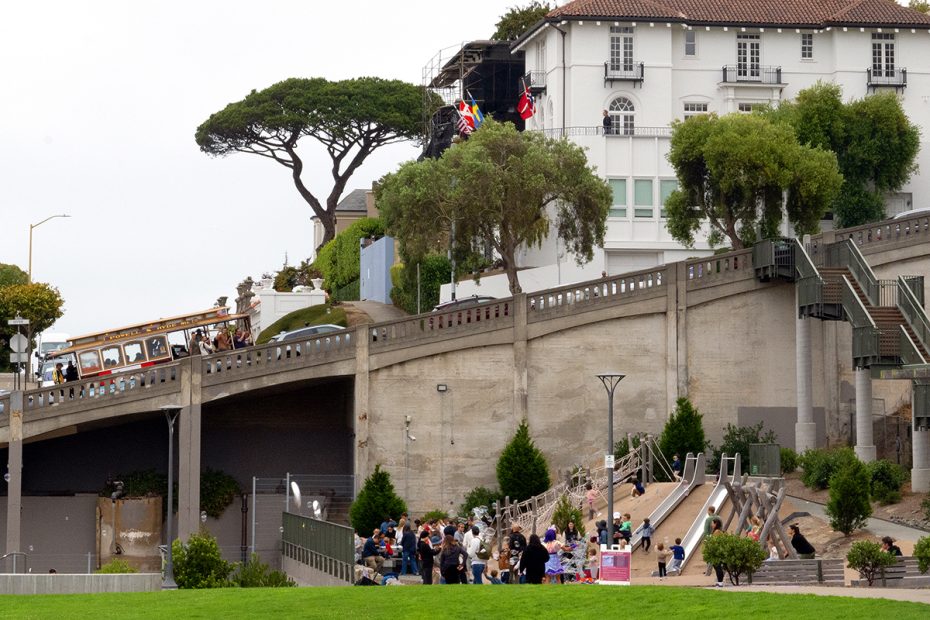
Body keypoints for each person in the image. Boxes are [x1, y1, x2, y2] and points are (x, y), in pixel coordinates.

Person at [710, 518, 726, 587]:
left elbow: (715, 541)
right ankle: (719, 582)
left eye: (712, 523)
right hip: (718, 551)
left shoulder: (717, 532)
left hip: (717, 552)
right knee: (717, 567)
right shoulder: (719, 531)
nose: (711, 525)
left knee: (717, 566)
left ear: (715, 524)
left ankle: (720, 582)